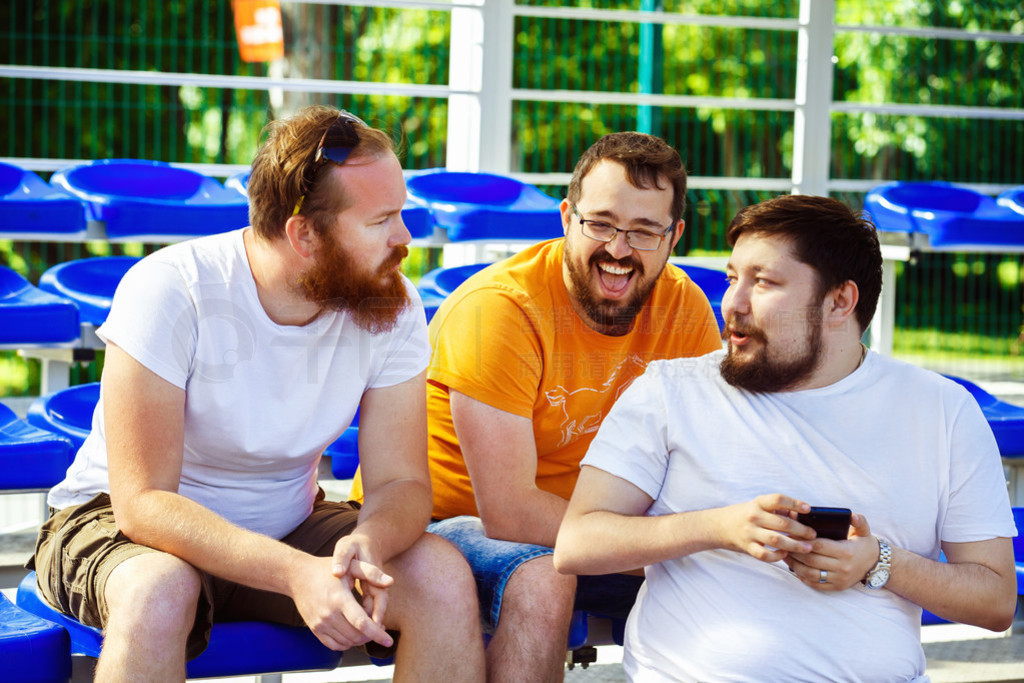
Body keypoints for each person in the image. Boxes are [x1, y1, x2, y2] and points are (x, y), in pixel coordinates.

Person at [28, 105, 485, 681]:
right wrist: (294, 572)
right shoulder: (171, 288)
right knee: (159, 592)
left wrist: (367, 542)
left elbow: (402, 483)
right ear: (304, 235)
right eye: (381, 221)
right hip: (115, 525)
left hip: (288, 525)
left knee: (441, 576)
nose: (405, 239)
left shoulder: (391, 302)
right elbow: (143, 503)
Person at [554, 194, 1018, 681]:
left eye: (764, 282)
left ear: (840, 301)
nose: (732, 302)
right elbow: (578, 542)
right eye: (734, 278)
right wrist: (718, 528)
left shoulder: (942, 410)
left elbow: (995, 601)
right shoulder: (669, 391)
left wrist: (879, 562)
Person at [357, 132, 722, 680]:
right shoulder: (500, 310)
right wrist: (671, 542)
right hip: (446, 524)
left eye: (644, 231)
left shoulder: (684, 306)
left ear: (674, 237)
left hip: (593, 527)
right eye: (600, 223)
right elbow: (509, 512)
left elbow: (707, 458)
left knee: (742, 572)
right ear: (566, 217)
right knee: (545, 575)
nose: (619, 250)